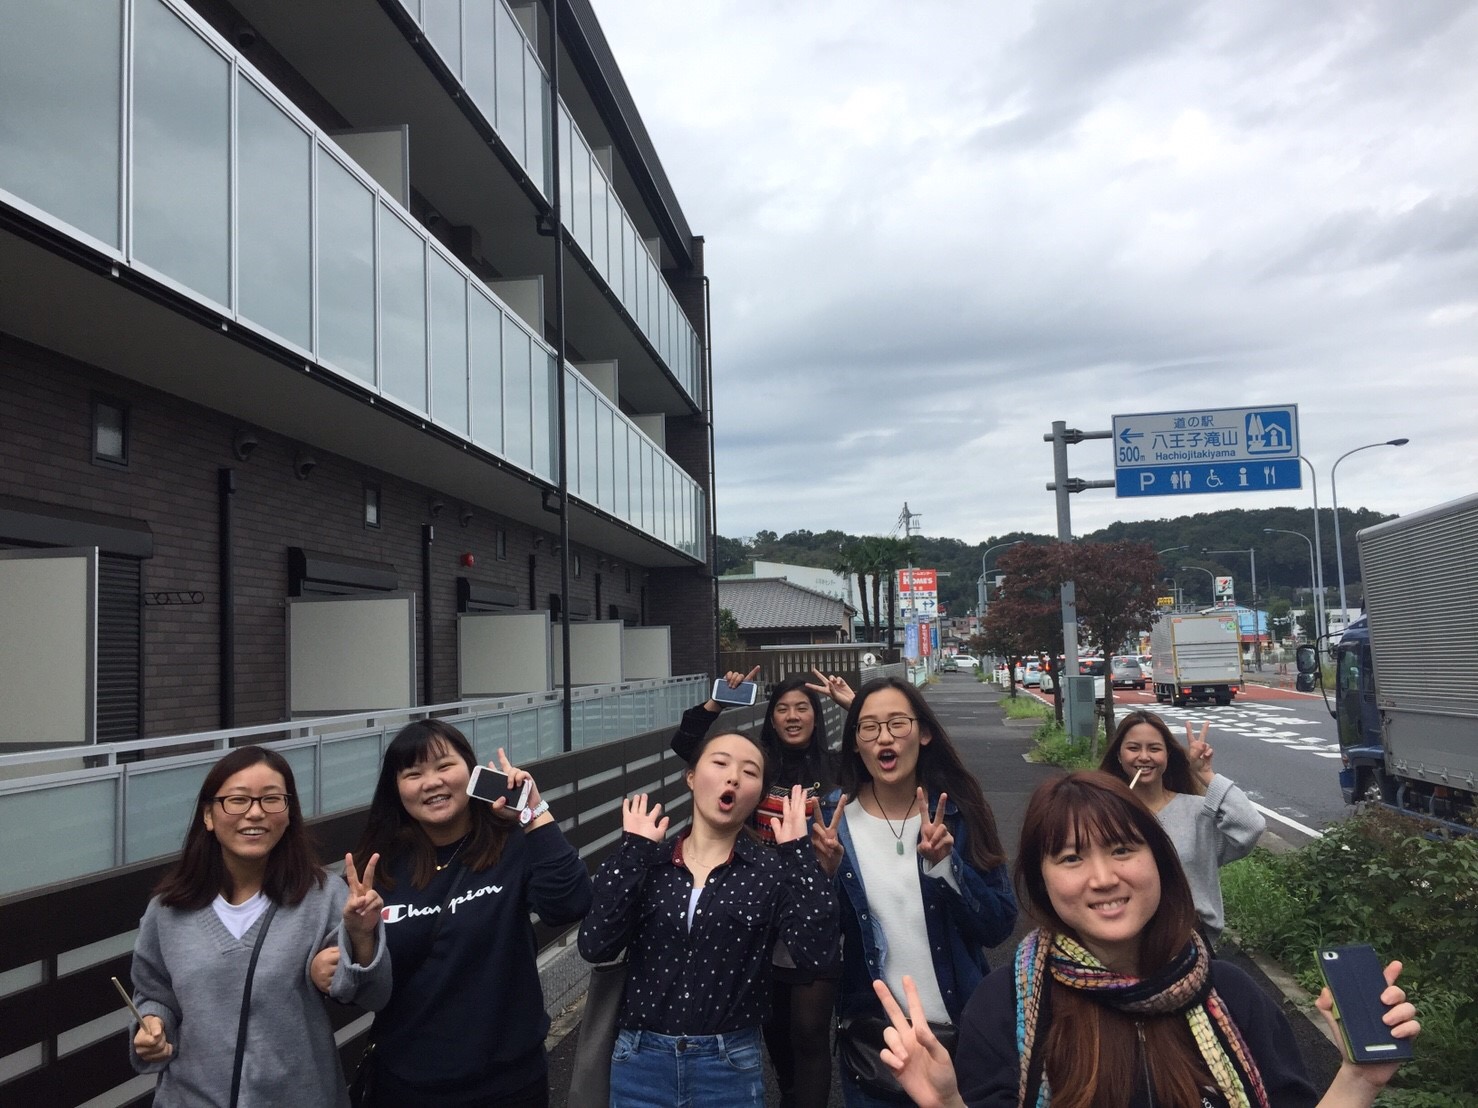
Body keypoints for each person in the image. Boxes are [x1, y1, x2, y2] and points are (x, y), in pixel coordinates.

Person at [868, 771, 1422, 1108]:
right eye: (1071, 858)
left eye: (1122, 849)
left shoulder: (1232, 994)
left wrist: (1358, 1080)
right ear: (1043, 881)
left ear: (1160, 860)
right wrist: (948, 1103)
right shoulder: (1003, 1005)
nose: (1103, 878)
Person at [578, 729, 839, 1108]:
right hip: (640, 1062)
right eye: (720, 763)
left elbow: (818, 954)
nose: (733, 777)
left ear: (759, 795)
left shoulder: (771, 871)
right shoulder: (649, 859)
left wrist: (800, 856)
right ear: (690, 777)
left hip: (729, 1066)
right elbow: (595, 944)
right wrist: (632, 851)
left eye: (749, 772)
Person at [338, 720, 592, 1107]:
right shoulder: (378, 868)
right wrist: (357, 939)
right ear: (396, 789)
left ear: (471, 772)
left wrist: (534, 811)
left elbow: (571, 903)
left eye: (444, 766)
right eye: (413, 774)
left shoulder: (510, 843)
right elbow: (358, 991)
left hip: (509, 1083)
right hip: (406, 1085)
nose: (431, 782)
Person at [128, 746, 391, 1106]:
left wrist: (361, 939)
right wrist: (152, 1024)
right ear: (208, 816)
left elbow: (374, 995)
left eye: (271, 799)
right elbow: (155, 994)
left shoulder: (323, 896)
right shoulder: (168, 910)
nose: (255, 813)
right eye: (237, 800)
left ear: (289, 813)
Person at [809, 677, 1017, 1107]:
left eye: (897, 724)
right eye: (869, 727)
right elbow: (813, 945)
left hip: (963, 1035)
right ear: (855, 743)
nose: (884, 737)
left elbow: (998, 925)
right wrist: (822, 877)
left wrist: (947, 867)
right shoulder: (832, 823)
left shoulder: (958, 812)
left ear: (924, 734)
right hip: (878, 1044)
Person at [669, 666, 851, 1107]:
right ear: (771, 718)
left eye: (802, 708)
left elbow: (882, 750)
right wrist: (716, 703)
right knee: (775, 1027)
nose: (792, 716)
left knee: (810, 1030)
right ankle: (788, 1093)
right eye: (782, 709)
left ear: (816, 715)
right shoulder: (757, 765)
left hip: (818, 905)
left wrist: (853, 704)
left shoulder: (836, 766)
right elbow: (688, 749)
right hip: (758, 908)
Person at [1099, 709, 1265, 946]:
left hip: (1190, 939)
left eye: (1154, 749)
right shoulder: (1104, 814)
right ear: (1118, 754)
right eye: (1133, 748)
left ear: (1168, 755)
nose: (1144, 757)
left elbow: (1251, 827)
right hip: (1123, 938)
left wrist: (1205, 773)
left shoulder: (1196, 812)